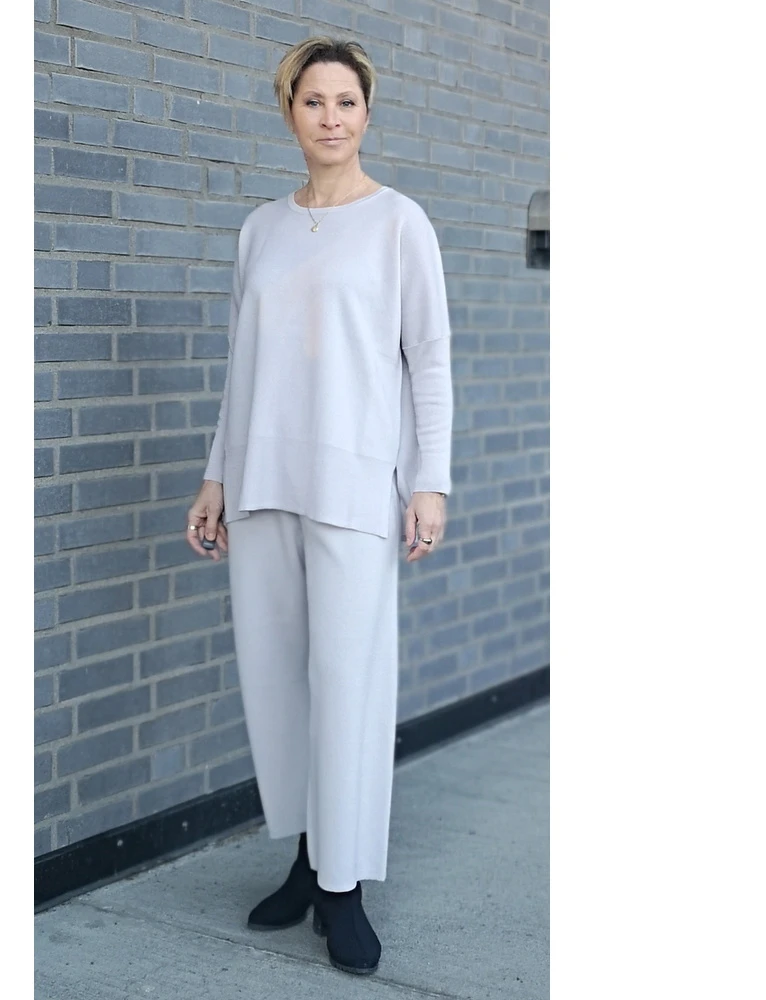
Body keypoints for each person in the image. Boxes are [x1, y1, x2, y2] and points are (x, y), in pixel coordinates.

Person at [184, 36, 454, 976]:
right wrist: (217, 474)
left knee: (348, 682)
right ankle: (306, 860)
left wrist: (429, 481)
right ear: (289, 112)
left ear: (367, 113)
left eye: (346, 101)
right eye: (313, 102)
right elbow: (242, 367)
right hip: (262, 480)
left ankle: (345, 888)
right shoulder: (260, 229)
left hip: (353, 484)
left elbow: (429, 359)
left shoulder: (399, 224)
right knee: (277, 680)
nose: (330, 117)